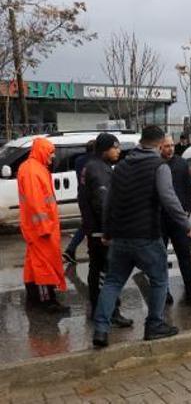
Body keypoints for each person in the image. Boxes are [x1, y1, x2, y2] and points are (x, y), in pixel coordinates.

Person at [92, 125, 191, 348]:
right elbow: (169, 199)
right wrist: (187, 225)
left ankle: (101, 331)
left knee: (112, 282)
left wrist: (107, 232)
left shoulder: (121, 166)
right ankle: (154, 326)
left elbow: (109, 202)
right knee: (160, 279)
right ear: (160, 144)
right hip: (146, 237)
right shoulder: (159, 167)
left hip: (120, 237)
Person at [80, 133, 133, 327]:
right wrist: (110, 231)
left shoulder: (90, 166)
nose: (119, 151)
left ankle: (97, 309)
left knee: (96, 271)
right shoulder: (99, 170)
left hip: (93, 229)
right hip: (102, 232)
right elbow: (103, 204)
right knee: (109, 274)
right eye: (115, 147)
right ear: (104, 149)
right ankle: (111, 311)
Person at [18, 137, 68, 313]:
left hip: (38, 226)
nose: (52, 157)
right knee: (43, 264)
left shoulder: (34, 168)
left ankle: (34, 297)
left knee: (35, 263)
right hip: (41, 228)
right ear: (42, 151)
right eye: (51, 152)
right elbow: (36, 202)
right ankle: (47, 301)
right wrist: (44, 227)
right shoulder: (33, 170)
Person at [159, 134, 191, 306]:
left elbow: (188, 189)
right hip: (160, 220)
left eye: (172, 145)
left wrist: (186, 211)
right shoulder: (156, 165)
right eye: (166, 146)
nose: (170, 148)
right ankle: (163, 293)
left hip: (179, 220)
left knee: (185, 257)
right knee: (160, 259)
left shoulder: (181, 163)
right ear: (159, 147)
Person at [63, 140, 96, 267]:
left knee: (87, 224)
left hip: (82, 196)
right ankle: (73, 250)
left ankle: (72, 250)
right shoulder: (95, 162)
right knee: (90, 225)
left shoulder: (79, 161)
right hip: (92, 196)